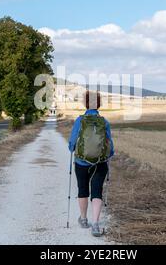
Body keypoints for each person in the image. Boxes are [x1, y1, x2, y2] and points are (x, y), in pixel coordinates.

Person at [68, 90, 114, 237]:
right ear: (98, 104)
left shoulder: (80, 120)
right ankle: (95, 224)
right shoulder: (104, 122)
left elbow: (72, 143)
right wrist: (107, 156)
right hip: (100, 163)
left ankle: (83, 219)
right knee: (97, 191)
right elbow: (110, 146)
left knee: (82, 190)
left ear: (86, 103)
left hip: (81, 162)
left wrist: (73, 150)